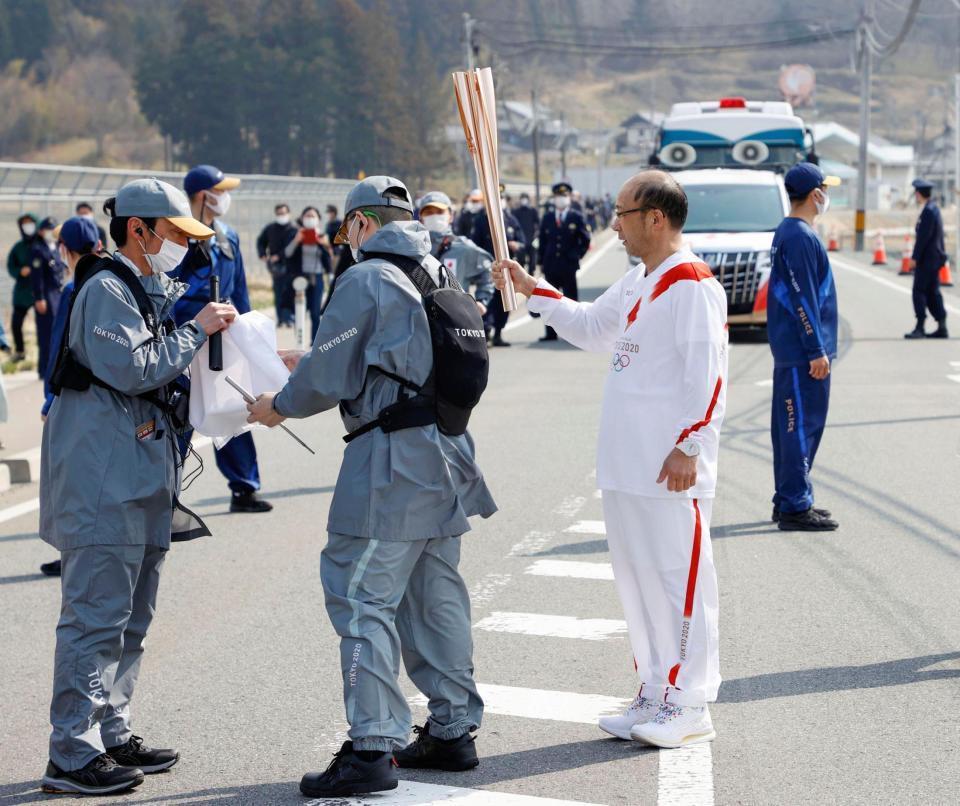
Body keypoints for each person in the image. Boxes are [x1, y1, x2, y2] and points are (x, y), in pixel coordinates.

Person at [246, 175, 496, 799]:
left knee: (361, 599)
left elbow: (327, 372)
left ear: (360, 225)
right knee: (435, 596)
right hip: (446, 451)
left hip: (391, 461)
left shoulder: (365, 278)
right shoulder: (439, 268)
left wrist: (278, 403)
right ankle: (452, 729)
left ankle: (370, 749)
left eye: (346, 230)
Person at [493, 169, 727, 749]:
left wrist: (689, 445)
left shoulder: (691, 283)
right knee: (639, 584)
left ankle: (690, 701)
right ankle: (654, 690)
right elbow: (594, 328)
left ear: (656, 217)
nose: (613, 225)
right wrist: (533, 289)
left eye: (622, 214)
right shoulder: (639, 280)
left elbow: (711, 375)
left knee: (681, 585)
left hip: (671, 468)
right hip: (627, 464)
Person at [39, 178, 236, 795]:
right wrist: (196, 329)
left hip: (136, 475)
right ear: (138, 229)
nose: (181, 247)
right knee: (96, 620)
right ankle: (71, 750)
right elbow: (133, 367)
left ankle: (111, 731)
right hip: (104, 481)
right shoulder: (105, 288)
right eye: (175, 234)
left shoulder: (139, 287)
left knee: (130, 620)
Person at [173, 164, 273, 514]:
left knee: (233, 410)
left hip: (225, 340)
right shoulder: (177, 236)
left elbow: (240, 289)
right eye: (220, 191)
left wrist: (247, 334)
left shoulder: (228, 235)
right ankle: (164, 495)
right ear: (203, 196)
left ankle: (244, 488)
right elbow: (165, 294)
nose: (225, 198)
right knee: (177, 417)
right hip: (185, 340)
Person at [767, 162, 840, 532]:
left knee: (789, 427)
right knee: (800, 426)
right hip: (801, 353)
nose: (827, 196)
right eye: (826, 190)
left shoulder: (791, 232)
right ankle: (795, 505)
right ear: (816, 195)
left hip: (793, 350)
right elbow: (802, 297)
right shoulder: (799, 236)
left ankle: (790, 497)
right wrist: (816, 349)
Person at [37, 216, 105, 579]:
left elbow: (58, 347)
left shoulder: (72, 288)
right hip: (107, 399)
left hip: (72, 398)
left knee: (69, 484)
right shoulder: (111, 279)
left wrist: (50, 399)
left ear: (65, 248)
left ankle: (71, 554)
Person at [418, 191, 494, 315]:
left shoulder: (463, 248)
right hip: (420, 321)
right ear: (420, 218)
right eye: (429, 213)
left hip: (454, 321)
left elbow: (487, 269)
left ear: (451, 216)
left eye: (440, 212)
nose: (434, 217)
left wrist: (481, 300)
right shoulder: (413, 249)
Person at [471, 186, 526, 347]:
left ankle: (499, 333)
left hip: (507, 270)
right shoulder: (481, 220)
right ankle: (486, 332)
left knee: (504, 302)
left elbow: (522, 240)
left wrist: (516, 244)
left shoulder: (510, 219)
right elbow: (475, 245)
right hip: (488, 269)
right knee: (488, 300)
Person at [536, 181, 591, 341]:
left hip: (568, 264)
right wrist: (541, 261)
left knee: (570, 299)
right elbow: (542, 241)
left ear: (569, 197)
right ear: (554, 198)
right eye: (559, 196)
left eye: (565, 196)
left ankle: (573, 333)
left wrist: (577, 255)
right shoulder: (547, 218)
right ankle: (550, 333)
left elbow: (585, 239)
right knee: (549, 299)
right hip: (551, 264)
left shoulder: (576, 216)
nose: (561, 199)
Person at [905, 178, 948, 339]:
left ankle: (920, 327)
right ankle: (942, 325)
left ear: (918, 194)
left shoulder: (928, 211)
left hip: (927, 259)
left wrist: (914, 258)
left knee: (919, 291)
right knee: (932, 292)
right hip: (934, 258)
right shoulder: (933, 209)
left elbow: (923, 237)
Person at [284, 205, 331, 339]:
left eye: (313, 216)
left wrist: (325, 245)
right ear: (302, 218)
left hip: (317, 277)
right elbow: (287, 254)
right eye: (307, 216)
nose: (310, 218)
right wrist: (296, 241)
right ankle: (299, 340)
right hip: (300, 278)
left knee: (315, 312)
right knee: (299, 310)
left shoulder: (322, 236)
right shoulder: (295, 234)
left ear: (318, 219)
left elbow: (328, 260)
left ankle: (314, 342)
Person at [30, 217, 66, 379]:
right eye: (48, 229)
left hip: (57, 293)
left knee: (56, 331)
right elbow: (37, 277)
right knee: (45, 333)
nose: (51, 232)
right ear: (41, 231)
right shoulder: (38, 249)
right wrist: (39, 298)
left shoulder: (55, 248)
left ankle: (53, 367)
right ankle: (44, 369)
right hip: (46, 295)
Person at [256, 203, 297, 327]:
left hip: (291, 267)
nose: (281, 216)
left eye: (283, 213)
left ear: (289, 213)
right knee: (278, 292)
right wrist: (263, 254)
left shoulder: (294, 230)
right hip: (275, 268)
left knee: (290, 292)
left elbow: (292, 247)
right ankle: (280, 319)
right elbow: (261, 241)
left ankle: (290, 318)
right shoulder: (270, 228)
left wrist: (279, 255)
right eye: (279, 214)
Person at [6, 212, 38, 362]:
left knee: (43, 324)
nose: (28, 226)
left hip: (40, 291)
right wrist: (20, 271)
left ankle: (44, 351)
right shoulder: (18, 247)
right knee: (16, 323)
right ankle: (20, 351)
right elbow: (11, 266)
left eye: (30, 223)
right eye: (24, 223)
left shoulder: (43, 245)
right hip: (22, 291)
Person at [512, 193, 540, 269]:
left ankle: (531, 275)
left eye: (525, 198)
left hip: (532, 239)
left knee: (532, 262)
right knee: (521, 261)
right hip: (521, 241)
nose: (524, 200)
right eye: (522, 198)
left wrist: (536, 235)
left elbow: (538, 224)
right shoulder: (516, 212)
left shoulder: (533, 211)